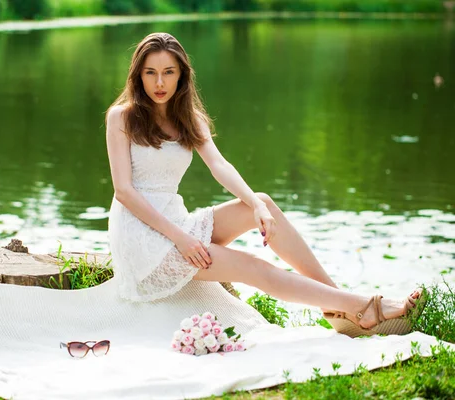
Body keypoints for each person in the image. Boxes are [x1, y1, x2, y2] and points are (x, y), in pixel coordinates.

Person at [105, 32, 425, 337]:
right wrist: (181, 239)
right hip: (141, 238)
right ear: (138, 76)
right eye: (150, 73)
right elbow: (124, 191)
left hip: (177, 221)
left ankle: (338, 305)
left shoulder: (190, 119)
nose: (159, 83)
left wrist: (255, 205)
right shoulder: (122, 117)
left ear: (181, 75)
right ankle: (365, 306)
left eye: (168, 72)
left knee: (262, 201)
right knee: (255, 267)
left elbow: (220, 165)